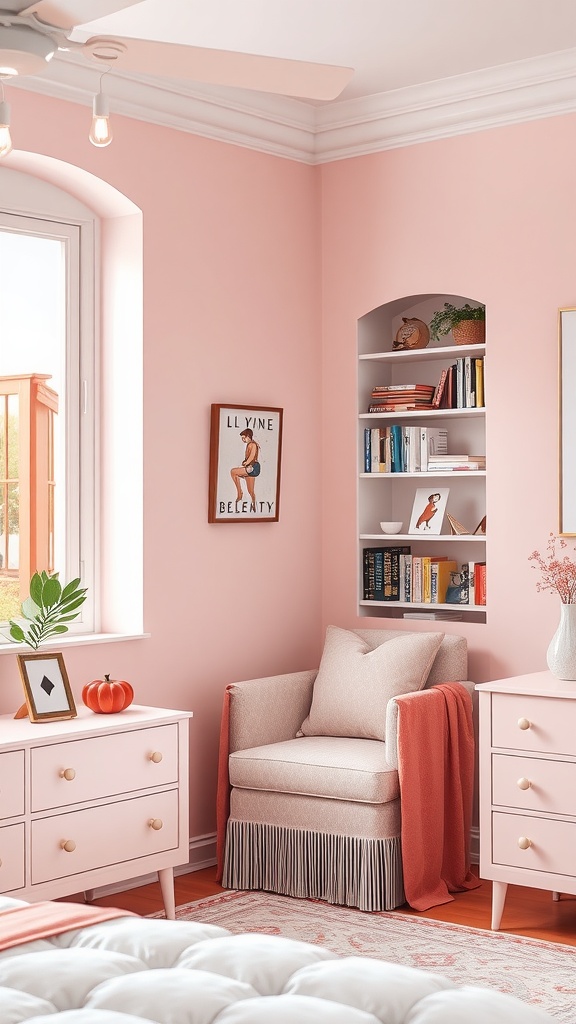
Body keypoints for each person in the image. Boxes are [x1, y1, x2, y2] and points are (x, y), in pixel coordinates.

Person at [230, 429, 261, 509]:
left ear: (248, 436)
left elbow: (251, 456)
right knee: (251, 491)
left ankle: (240, 493)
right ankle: (254, 505)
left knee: (233, 472)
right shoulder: (250, 444)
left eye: (244, 438)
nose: (243, 440)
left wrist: (245, 463)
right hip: (251, 468)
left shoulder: (252, 444)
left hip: (252, 467)